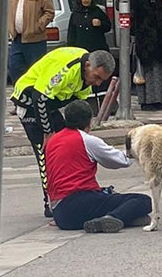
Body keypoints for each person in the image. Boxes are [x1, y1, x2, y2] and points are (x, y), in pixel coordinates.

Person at [11, 48, 116, 218]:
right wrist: (48, 132)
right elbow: (39, 97)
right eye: (96, 77)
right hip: (30, 102)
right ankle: (51, 201)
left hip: (51, 103)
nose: (97, 83)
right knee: (46, 153)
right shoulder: (68, 68)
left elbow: (76, 106)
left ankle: (76, 192)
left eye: (101, 81)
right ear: (88, 65)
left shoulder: (86, 75)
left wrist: (82, 132)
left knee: (70, 147)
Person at [45, 100, 152, 233]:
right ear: (89, 121)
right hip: (77, 202)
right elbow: (120, 160)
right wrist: (138, 150)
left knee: (111, 200)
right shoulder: (87, 140)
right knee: (143, 201)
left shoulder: (53, 140)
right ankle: (113, 217)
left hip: (59, 212)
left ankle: (118, 218)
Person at [7, 0, 55, 84]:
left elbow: (49, 12)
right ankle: (20, 99)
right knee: (15, 70)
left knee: (36, 74)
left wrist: (38, 26)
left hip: (35, 41)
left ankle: (34, 100)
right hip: (16, 39)